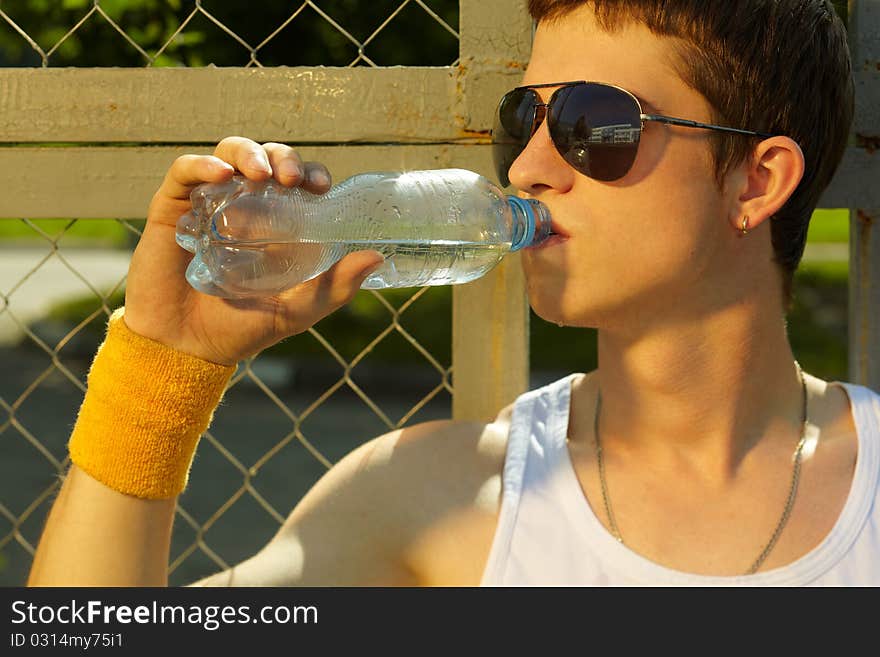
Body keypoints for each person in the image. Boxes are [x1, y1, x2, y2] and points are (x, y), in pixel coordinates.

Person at [27, 0, 879, 586]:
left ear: (757, 183)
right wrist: (162, 367)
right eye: (524, 119)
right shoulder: (434, 495)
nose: (531, 166)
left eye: (594, 125)